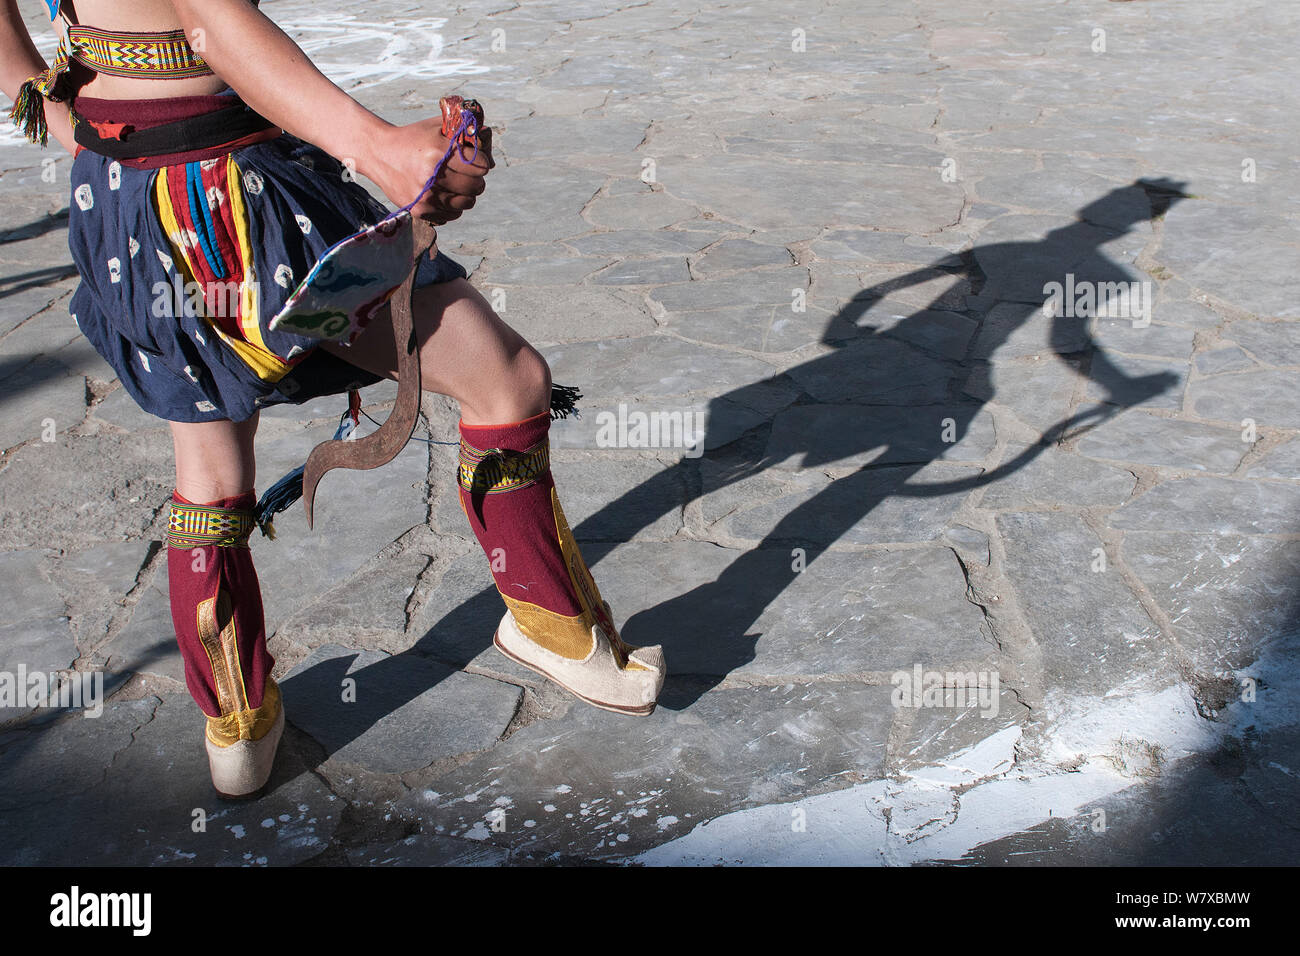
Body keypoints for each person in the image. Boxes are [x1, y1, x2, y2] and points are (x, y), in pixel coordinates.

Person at [1, 0, 664, 799]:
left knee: (209, 468)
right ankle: (554, 630)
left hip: (123, 197)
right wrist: (375, 145)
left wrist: (75, 122)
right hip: (231, 210)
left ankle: (236, 728)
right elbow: (213, 22)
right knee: (508, 379)